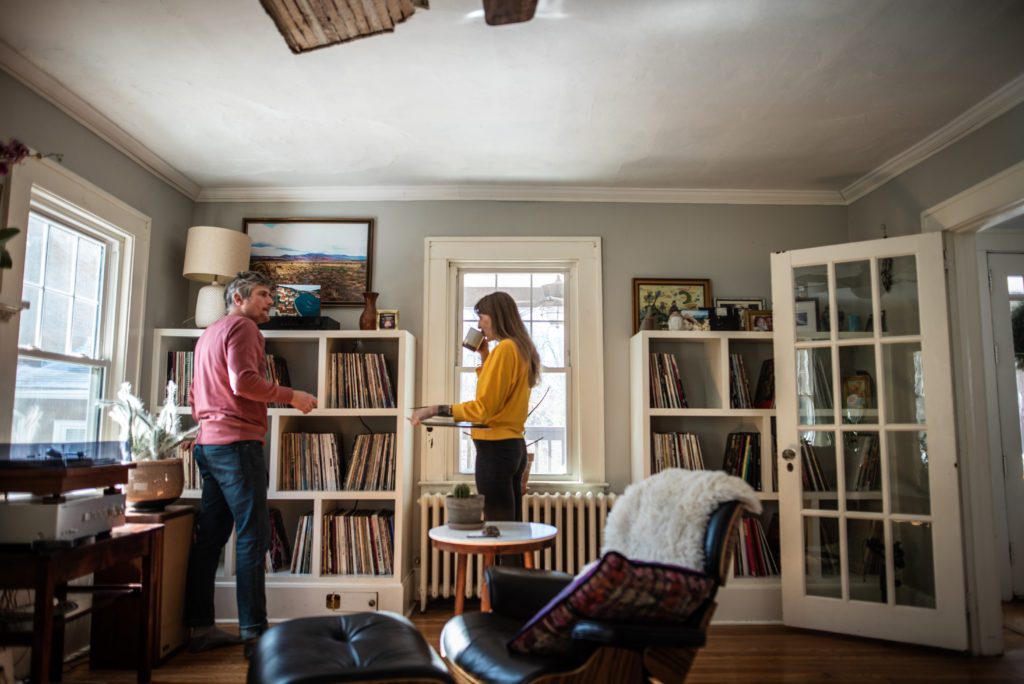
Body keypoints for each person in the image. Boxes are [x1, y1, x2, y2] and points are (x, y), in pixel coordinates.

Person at [185, 271, 317, 657]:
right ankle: (255, 636)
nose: (270, 302)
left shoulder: (207, 334)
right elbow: (244, 382)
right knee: (252, 537)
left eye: (271, 295)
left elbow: (195, 396)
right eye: (262, 294)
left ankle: (199, 628)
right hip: (238, 445)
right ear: (238, 298)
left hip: (207, 445)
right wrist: (293, 395)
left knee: (209, 539)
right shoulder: (243, 328)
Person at [410, 291, 541, 531]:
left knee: (500, 532)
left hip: (496, 450)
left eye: (482, 317)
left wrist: (434, 409)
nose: (479, 325)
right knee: (512, 531)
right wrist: (483, 354)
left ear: (496, 317)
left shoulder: (506, 349)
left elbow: (484, 409)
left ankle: (498, 570)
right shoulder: (519, 348)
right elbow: (499, 394)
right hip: (513, 447)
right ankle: (513, 569)